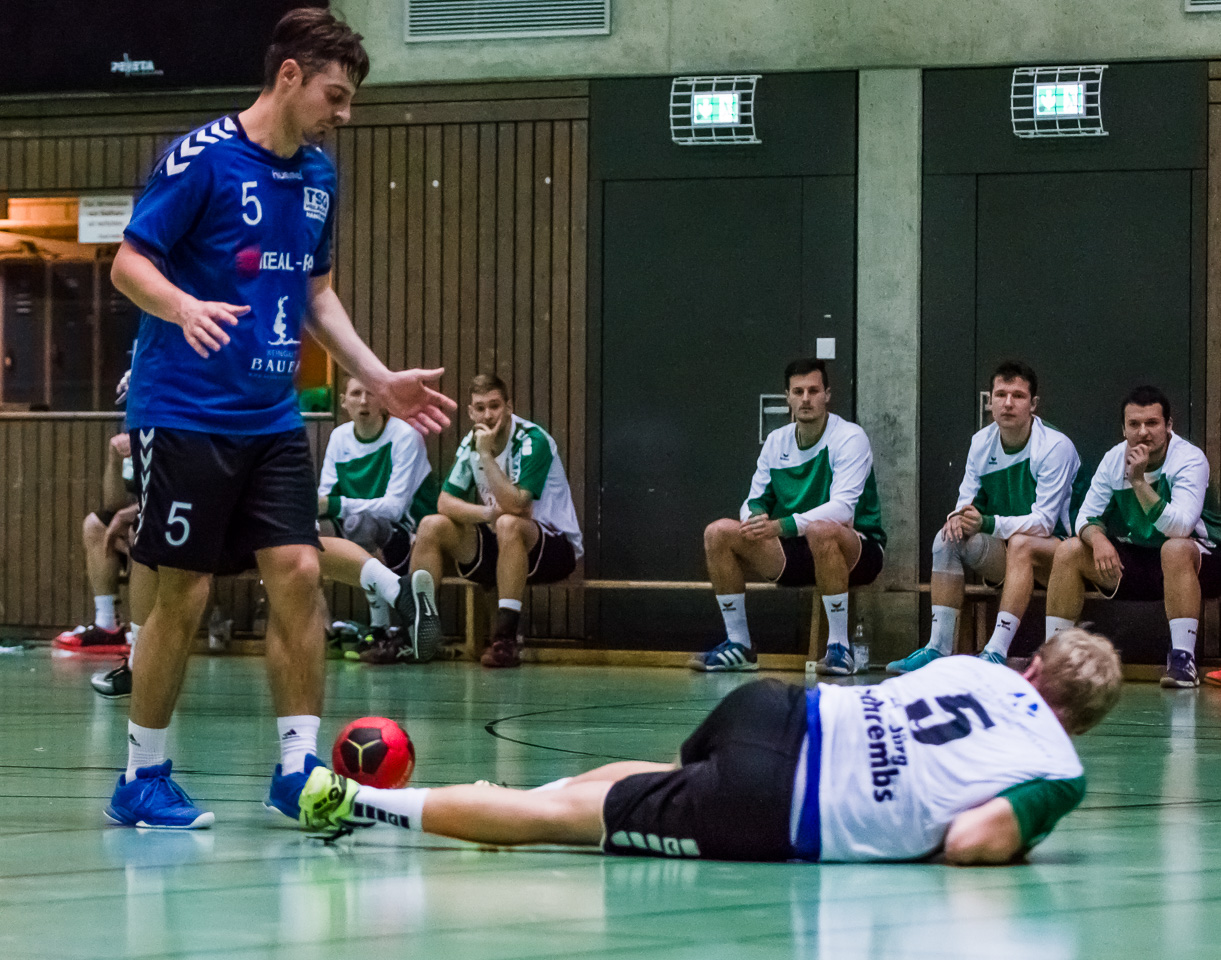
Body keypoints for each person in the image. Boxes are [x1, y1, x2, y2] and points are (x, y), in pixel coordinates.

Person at [105, 9, 455, 830]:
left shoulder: (319, 176)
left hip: (271, 415)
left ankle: (298, 770)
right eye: (335, 95)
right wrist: (183, 306)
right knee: (184, 590)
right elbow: (128, 262)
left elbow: (315, 295)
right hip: (184, 409)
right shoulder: (201, 159)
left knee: (297, 570)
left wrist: (377, 378)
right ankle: (141, 777)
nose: (345, 113)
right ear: (289, 76)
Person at [298, 628, 1122, 865]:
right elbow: (973, 840)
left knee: (668, 777)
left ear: (1033, 665)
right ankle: (354, 801)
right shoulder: (1058, 768)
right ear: (1080, 723)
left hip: (774, 709)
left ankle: (516, 799)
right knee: (566, 826)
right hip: (779, 804)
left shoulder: (978, 668)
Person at [695, 358, 885, 675]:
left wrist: (780, 525)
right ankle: (739, 645)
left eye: (813, 391)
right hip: (795, 550)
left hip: (856, 550)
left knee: (822, 529)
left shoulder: (850, 437)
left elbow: (842, 509)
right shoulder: (777, 441)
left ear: (827, 395)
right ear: (788, 397)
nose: (806, 399)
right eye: (798, 391)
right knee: (718, 532)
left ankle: (840, 648)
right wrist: (755, 519)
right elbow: (755, 499)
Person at [888, 362, 1081, 673]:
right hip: (1008, 554)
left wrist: (987, 523)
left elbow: (1045, 522)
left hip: (1058, 556)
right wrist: (957, 518)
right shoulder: (981, 442)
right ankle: (937, 647)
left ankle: (995, 651)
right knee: (946, 539)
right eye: (1000, 395)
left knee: (1021, 543)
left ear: (1033, 404)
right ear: (990, 401)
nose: (1008, 403)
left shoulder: (1055, 446)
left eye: (1018, 396)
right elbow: (966, 502)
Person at [1043, 386, 1221, 689]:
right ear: (1123, 429)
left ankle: (1183, 661)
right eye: (1134, 424)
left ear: (1168, 425)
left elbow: (1180, 527)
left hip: (1199, 560)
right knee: (1070, 550)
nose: (1143, 432)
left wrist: (1138, 481)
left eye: (1152, 423)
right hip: (1139, 561)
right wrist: (1098, 540)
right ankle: (1054, 657)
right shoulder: (1114, 459)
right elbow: (1084, 517)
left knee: (1175, 548)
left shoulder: (1189, 459)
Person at [404, 373, 583, 669]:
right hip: (501, 541)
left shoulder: (532, 439)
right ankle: (419, 632)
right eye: (480, 408)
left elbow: (517, 505)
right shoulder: (471, 442)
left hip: (555, 549)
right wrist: (487, 514)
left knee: (509, 523)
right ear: (471, 412)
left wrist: (486, 456)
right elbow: (445, 502)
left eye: (495, 406)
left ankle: (505, 640)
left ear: (509, 407)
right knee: (431, 525)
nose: (488, 415)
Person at [316, 374, 439, 663]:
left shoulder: (405, 436)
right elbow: (323, 501)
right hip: (357, 531)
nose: (363, 401)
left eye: (371, 393)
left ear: (384, 402)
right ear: (343, 402)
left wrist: (336, 505)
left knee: (361, 524)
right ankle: (322, 634)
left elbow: (394, 508)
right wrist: (324, 508)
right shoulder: (339, 438)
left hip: (408, 537)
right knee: (307, 535)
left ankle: (379, 629)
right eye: (356, 394)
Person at [53, 432, 139, 652]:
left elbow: (181, 491)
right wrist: (114, 459)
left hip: (181, 516)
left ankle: (145, 631)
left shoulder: (171, 429)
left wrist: (129, 514)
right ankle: (108, 624)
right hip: (146, 515)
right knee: (96, 525)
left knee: (138, 534)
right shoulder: (134, 434)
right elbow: (113, 503)